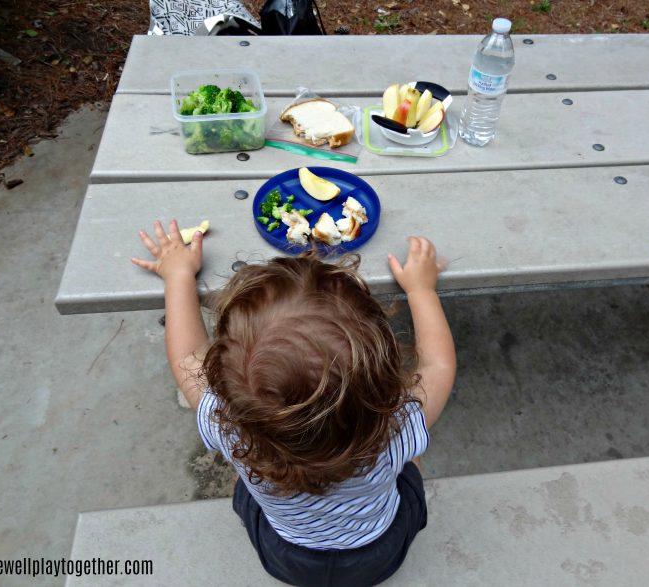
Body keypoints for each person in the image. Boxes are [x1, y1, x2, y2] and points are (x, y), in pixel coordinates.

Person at [132, 220, 456, 587]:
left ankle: (271, 460)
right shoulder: (399, 425)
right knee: (410, 450)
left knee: (255, 459)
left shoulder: (227, 424)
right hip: (378, 548)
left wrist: (177, 277)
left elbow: (188, 356)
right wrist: (421, 290)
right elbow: (437, 365)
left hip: (284, 551)